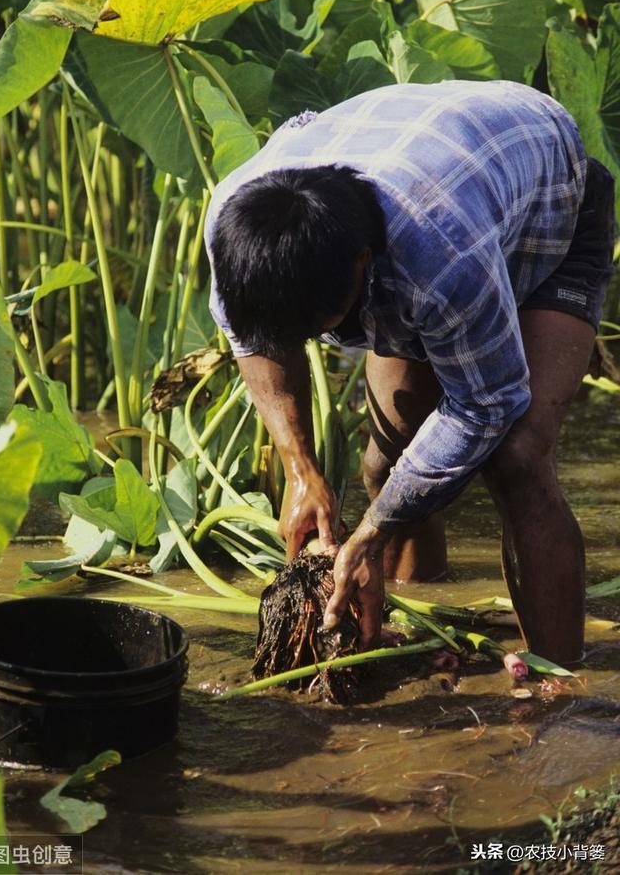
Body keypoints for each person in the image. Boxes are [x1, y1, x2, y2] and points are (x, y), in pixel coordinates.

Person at [203, 81, 616, 668]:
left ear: (363, 267)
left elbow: (488, 403)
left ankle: (558, 680)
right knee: (389, 461)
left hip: (548, 206)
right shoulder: (237, 224)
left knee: (518, 457)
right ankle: (426, 607)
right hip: (433, 164)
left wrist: (370, 534)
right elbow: (250, 336)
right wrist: (300, 470)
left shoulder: (440, 252)